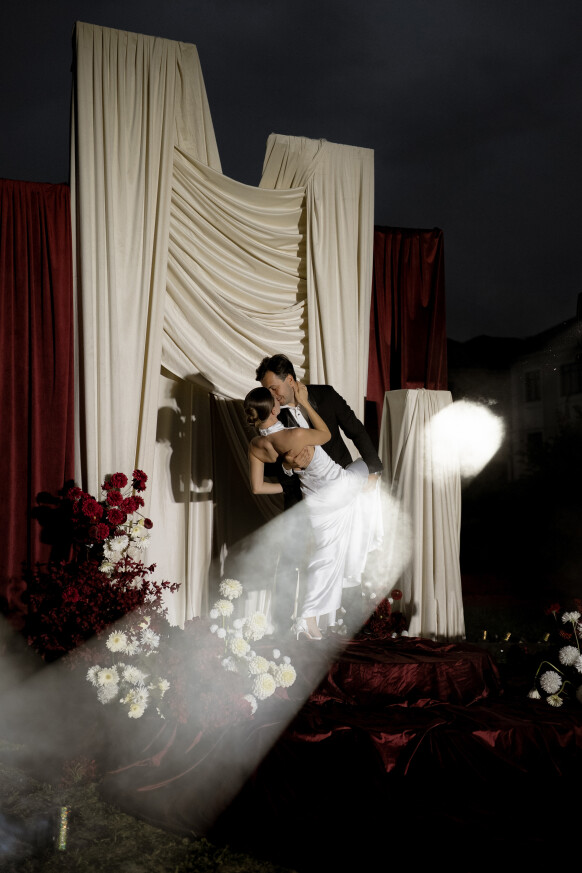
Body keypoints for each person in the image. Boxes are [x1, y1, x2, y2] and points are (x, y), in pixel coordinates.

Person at [255, 354, 383, 630]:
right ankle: (284, 627)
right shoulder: (272, 414)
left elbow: (356, 430)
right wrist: (288, 467)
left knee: (347, 553)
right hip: (304, 496)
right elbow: (269, 466)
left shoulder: (325, 396)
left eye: (274, 388)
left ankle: (349, 626)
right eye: (266, 390)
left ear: (290, 380)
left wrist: (372, 470)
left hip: (340, 484)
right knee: (293, 556)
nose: (271, 395)